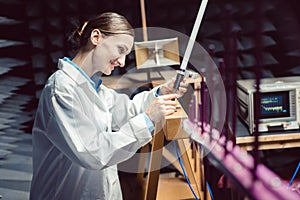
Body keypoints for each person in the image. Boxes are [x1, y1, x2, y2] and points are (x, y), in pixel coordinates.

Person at [30, 12, 187, 200]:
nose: (121, 62)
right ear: (96, 37)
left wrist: (160, 93)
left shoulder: (93, 87)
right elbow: (94, 154)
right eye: (120, 50)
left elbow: (126, 111)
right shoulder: (62, 90)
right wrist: (147, 119)